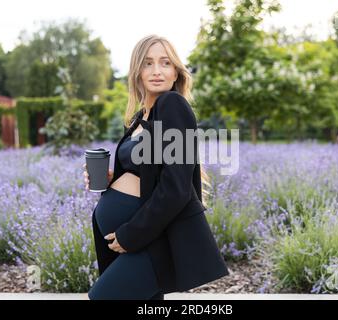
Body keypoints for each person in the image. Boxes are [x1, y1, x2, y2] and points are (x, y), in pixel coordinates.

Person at [83, 34, 229, 300]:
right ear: (137, 72)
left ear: (176, 72)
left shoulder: (173, 105)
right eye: (148, 63)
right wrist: (115, 177)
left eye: (165, 63)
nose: (157, 71)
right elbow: (152, 172)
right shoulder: (141, 117)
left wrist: (131, 235)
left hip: (151, 243)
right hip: (135, 242)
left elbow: (176, 188)